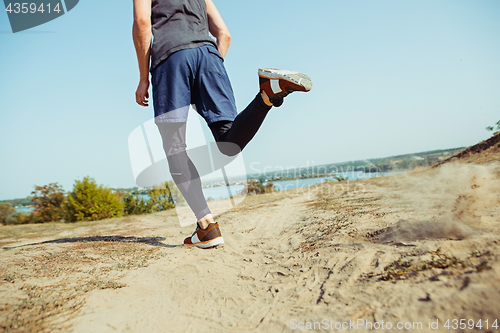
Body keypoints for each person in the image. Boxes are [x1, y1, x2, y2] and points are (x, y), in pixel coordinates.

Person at [132, 0, 312, 248]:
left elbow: (142, 23)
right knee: (228, 142)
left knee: (175, 148)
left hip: (170, 59)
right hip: (209, 56)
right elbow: (224, 35)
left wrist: (143, 78)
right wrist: (206, 73)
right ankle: (267, 95)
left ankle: (206, 226)